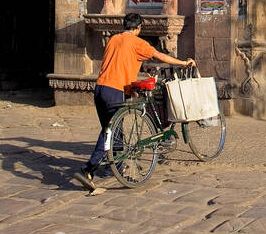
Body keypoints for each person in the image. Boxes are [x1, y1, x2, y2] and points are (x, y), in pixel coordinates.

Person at [74, 12, 194, 191]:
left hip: (100, 88)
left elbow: (120, 62)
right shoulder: (138, 42)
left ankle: (114, 167)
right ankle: (88, 169)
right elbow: (160, 56)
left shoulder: (114, 39)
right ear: (138, 28)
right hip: (115, 90)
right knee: (109, 132)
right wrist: (183, 63)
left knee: (114, 130)